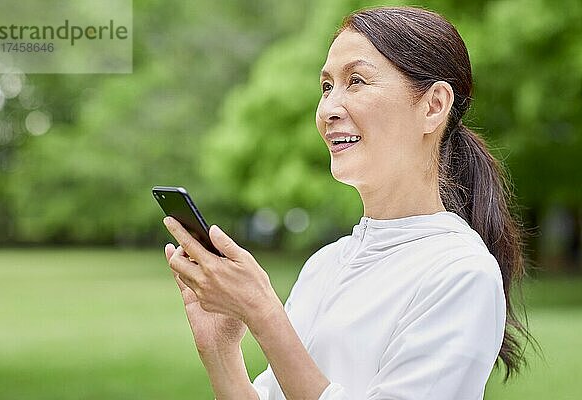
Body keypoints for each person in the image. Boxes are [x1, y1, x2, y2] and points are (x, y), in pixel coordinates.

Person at [162, 6, 530, 400]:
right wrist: (221, 352)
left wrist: (265, 314)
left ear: (433, 105)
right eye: (326, 86)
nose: (328, 109)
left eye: (356, 81)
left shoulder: (461, 272)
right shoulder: (325, 265)